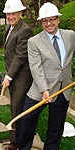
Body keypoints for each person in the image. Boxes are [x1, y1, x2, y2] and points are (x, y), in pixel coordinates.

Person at [19, 2, 75, 150]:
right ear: (41, 22)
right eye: (45, 20)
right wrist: (44, 89)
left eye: (51, 19)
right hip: (40, 89)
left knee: (56, 126)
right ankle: (24, 147)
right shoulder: (34, 42)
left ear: (58, 19)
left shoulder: (70, 36)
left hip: (63, 88)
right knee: (26, 120)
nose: (48, 23)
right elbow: (36, 68)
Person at [1, 0, 33, 149]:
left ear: (20, 13)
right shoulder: (11, 27)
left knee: (17, 108)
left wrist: (9, 76)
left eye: (13, 13)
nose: (10, 16)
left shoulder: (24, 30)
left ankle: (16, 142)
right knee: (15, 106)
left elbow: (20, 56)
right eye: (8, 13)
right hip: (14, 74)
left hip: (21, 77)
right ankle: (14, 137)